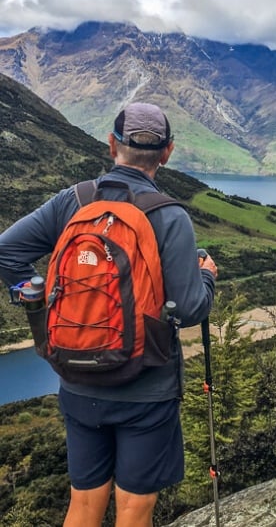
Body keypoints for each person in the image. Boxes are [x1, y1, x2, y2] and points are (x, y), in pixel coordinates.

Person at [0, 102, 218, 527]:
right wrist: (206, 276)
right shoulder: (169, 216)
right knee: (134, 508)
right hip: (146, 388)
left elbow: (7, 250)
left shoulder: (74, 201)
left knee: (83, 503)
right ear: (168, 152)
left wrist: (39, 300)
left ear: (111, 144)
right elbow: (190, 308)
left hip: (77, 380)